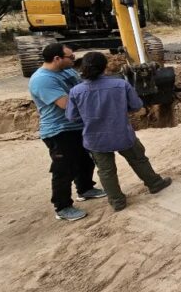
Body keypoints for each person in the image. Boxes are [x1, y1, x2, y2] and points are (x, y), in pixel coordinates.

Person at [66, 52, 172, 211]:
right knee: (138, 159)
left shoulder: (76, 91)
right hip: (122, 133)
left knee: (106, 171)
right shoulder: (121, 85)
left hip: (95, 139)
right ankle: (155, 183)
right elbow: (136, 106)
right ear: (105, 67)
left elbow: (72, 117)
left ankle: (117, 201)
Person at [28, 43, 105, 221]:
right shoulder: (42, 80)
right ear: (57, 59)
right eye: (70, 57)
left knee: (85, 161)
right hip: (59, 130)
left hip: (76, 126)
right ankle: (62, 207)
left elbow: (85, 87)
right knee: (63, 169)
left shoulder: (67, 70)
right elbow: (66, 105)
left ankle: (85, 189)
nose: (74, 59)